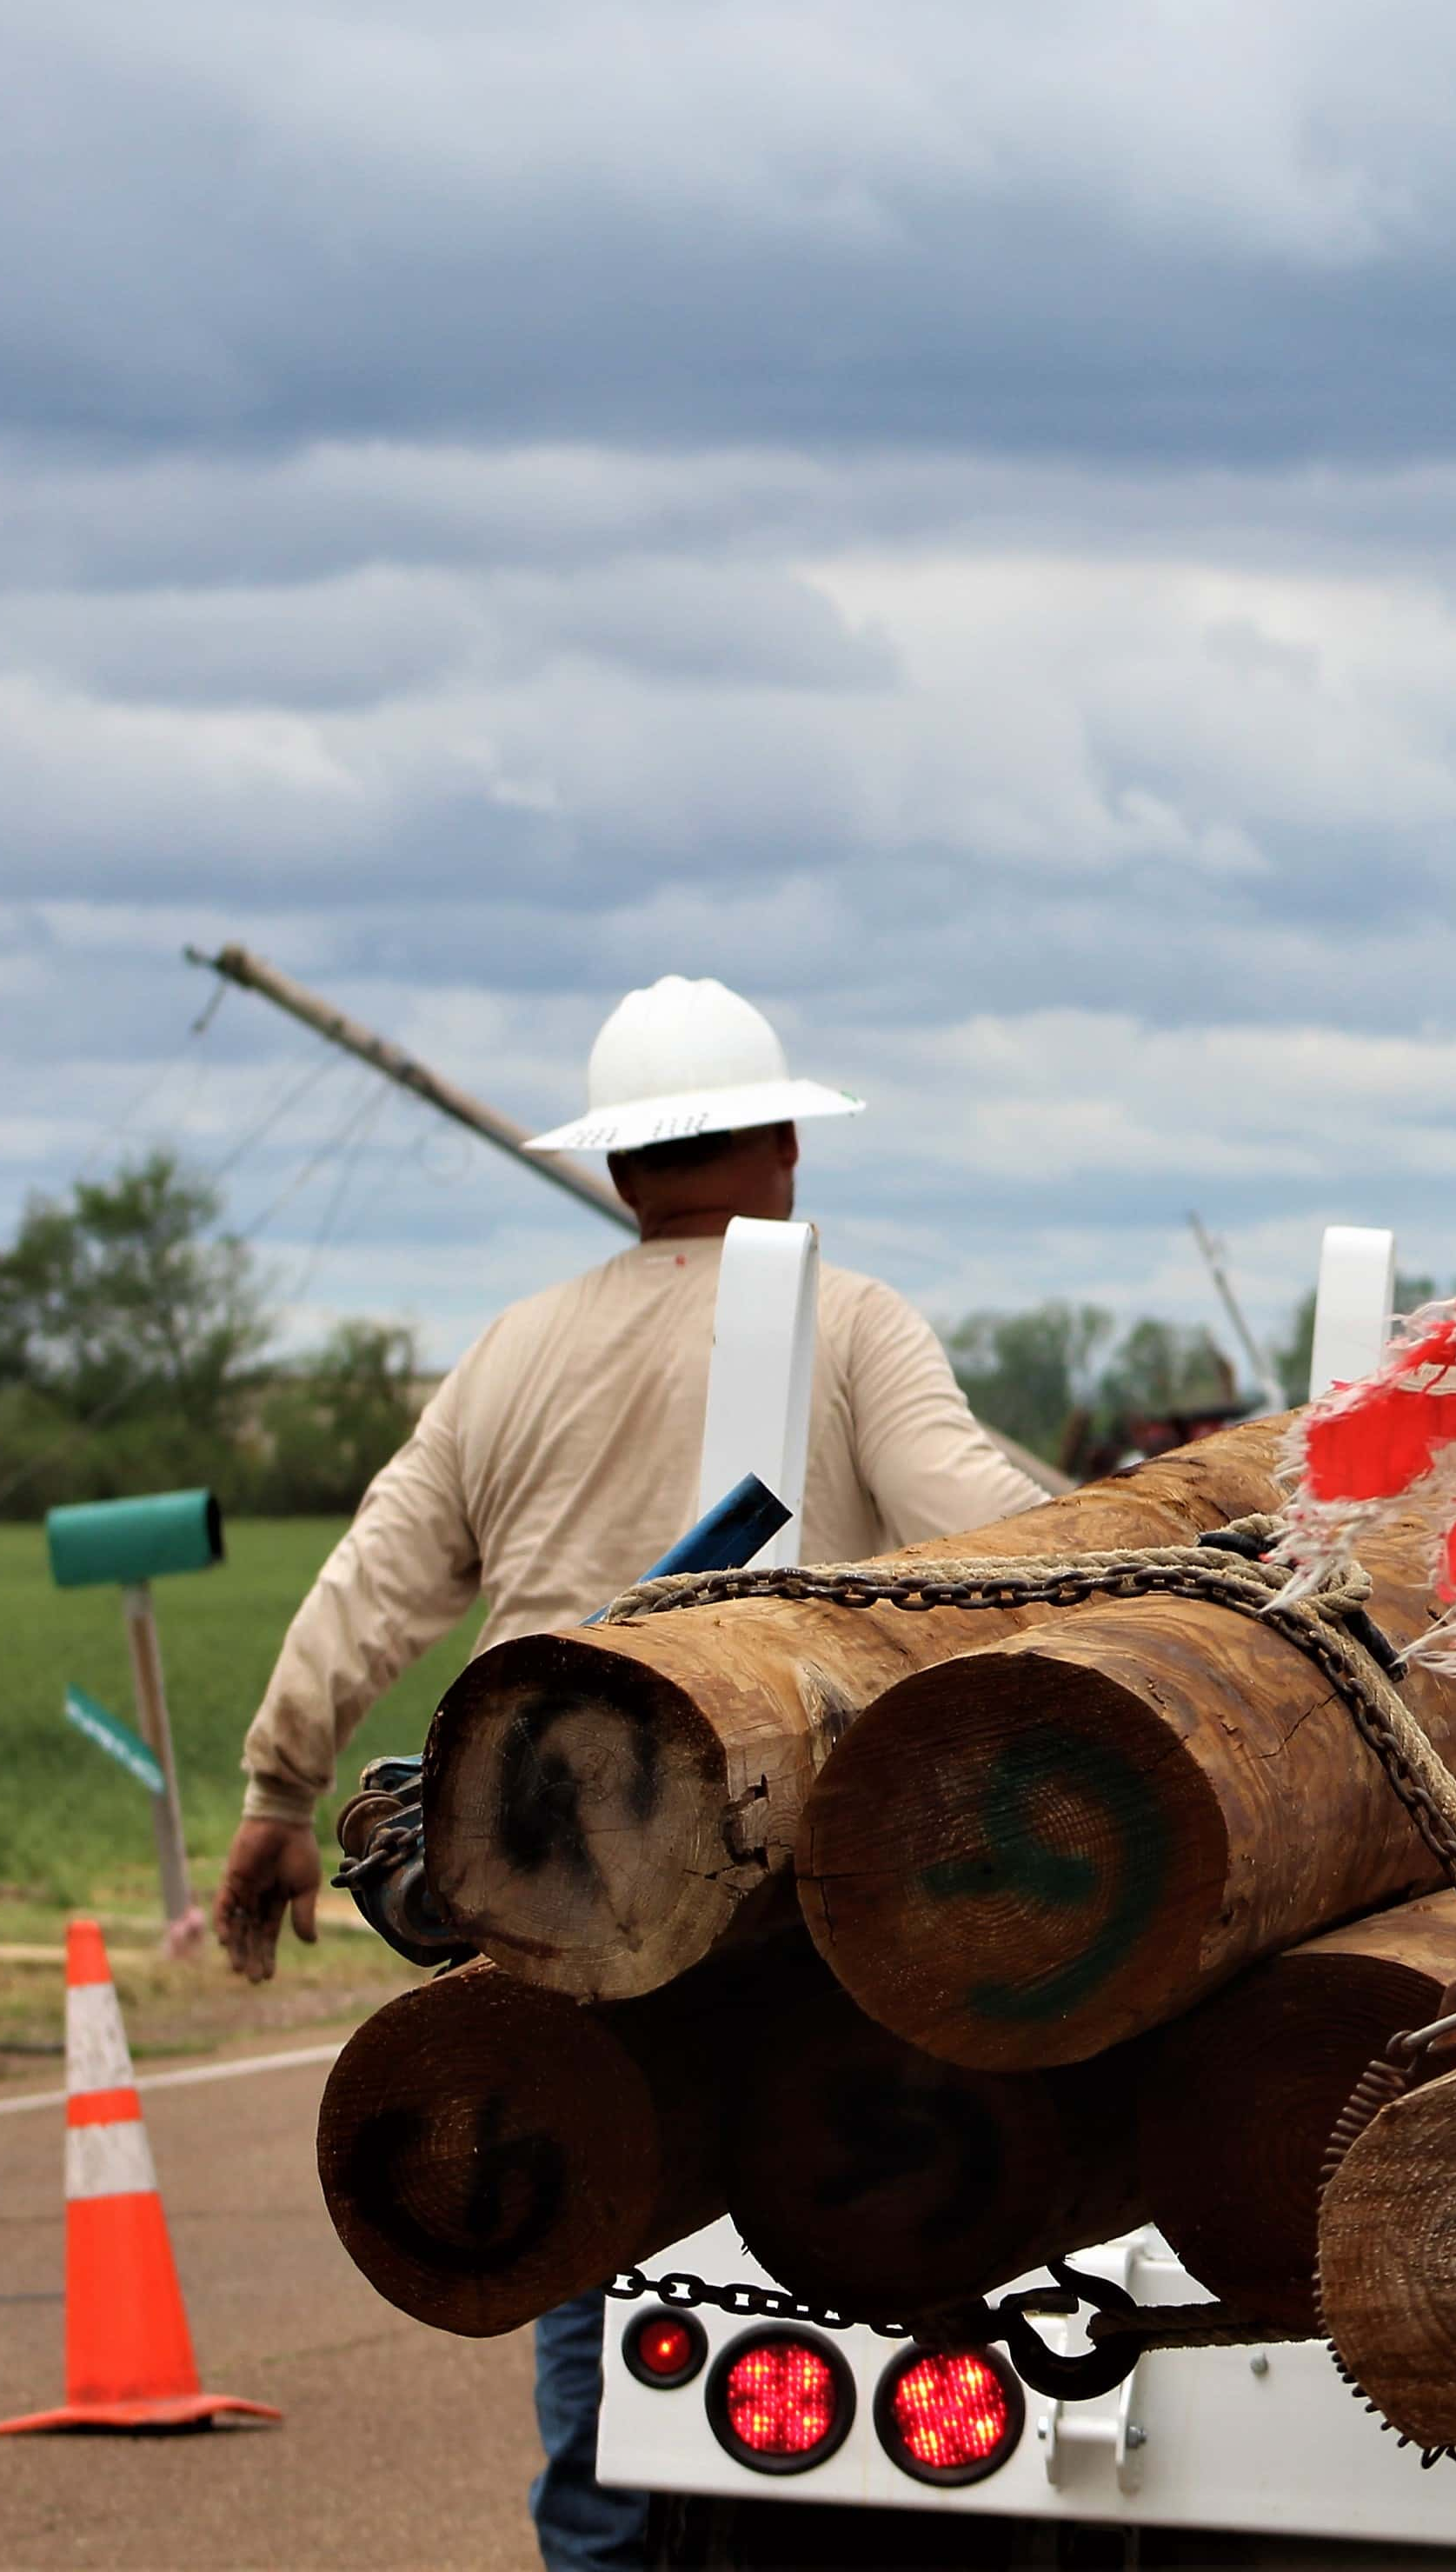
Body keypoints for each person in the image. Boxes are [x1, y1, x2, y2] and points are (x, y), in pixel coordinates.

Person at [214, 974, 1043, 2572]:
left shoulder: (516, 1355)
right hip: (815, 1935)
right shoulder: (855, 1325)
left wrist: (272, 1796)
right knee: (871, 2295)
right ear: (787, 1145)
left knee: (603, 2277)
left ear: (615, 1174)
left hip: (565, 1923)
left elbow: (370, 1584)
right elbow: (981, 1537)